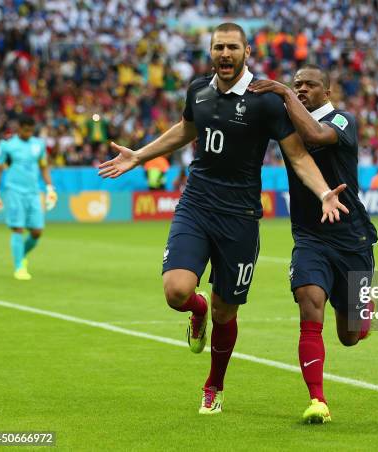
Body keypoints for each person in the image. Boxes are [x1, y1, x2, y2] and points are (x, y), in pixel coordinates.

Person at [97, 23, 349, 415]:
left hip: (241, 217)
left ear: (247, 50)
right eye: (219, 47)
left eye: (233, 47)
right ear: (210, 51)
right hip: (196, 205)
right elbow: (186, 129)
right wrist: (140, 156)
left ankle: (214, 384)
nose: (225, 54)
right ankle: (195, 313)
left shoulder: (266, 101)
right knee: (176, 291)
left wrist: (322, 192)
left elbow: (299, 155)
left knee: (226, 311)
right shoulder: (198, 89)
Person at [249, 64, 378, 424]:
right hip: (309, 236)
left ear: (328, 92)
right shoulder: (289, 123)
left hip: (351, 235)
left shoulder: (342, 121)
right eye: (297, 85)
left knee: (350, 336)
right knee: (309, 302)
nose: (302, 89)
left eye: (309, 85)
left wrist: (284, 93)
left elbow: (318, 137)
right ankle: (317, 400)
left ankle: (363, 305)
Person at [0, 115, 57, 280]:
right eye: (25, 130)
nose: (28, 133)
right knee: (17, 228)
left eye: (31, 130)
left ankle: (21, 255)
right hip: (14, 191)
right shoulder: (7, 146)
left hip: (33, 192)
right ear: (18, 128)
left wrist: (50, 189)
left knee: (37, 231)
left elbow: (44, 168)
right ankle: (19, 267)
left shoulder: (38, 145)